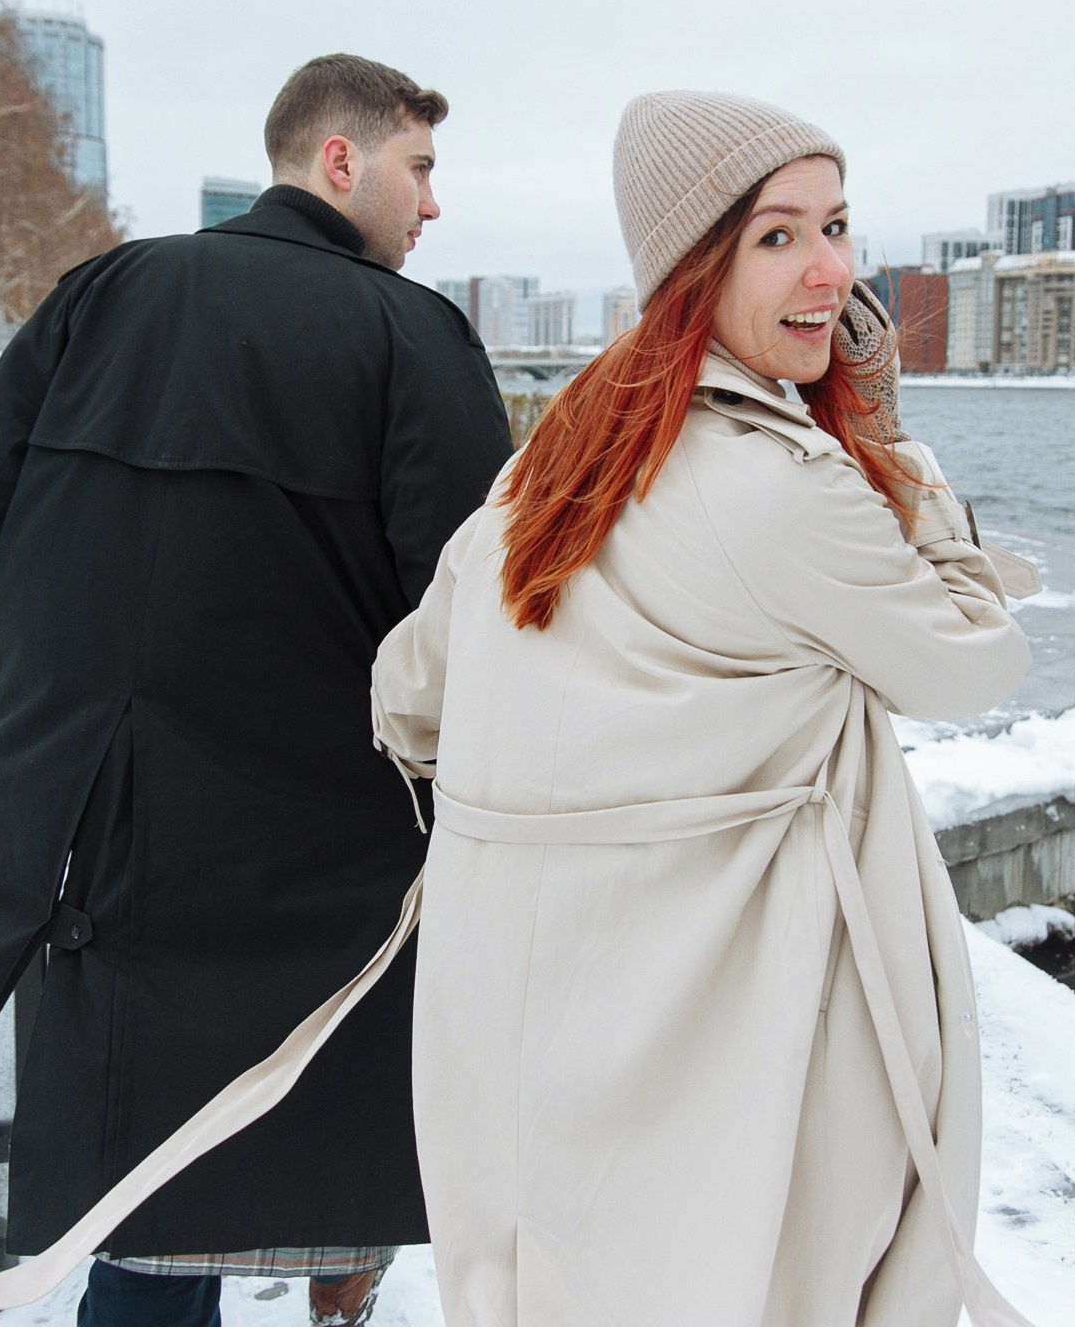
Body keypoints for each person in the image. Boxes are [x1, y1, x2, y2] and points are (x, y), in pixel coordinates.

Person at [0, 54, 513, 1327]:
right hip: (323, 839)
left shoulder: (105, 291)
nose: (432, 206)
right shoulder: (410, 334)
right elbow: (474, 599)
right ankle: (343, 1290)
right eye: (420, 170)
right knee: (325, 1139)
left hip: (108, 822)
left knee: (140, 1194)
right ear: (340, 158)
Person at [369, 92, 1041, 1326]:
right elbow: (972, 662)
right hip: (730, 1035)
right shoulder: (788, 490)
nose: (830, 269)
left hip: (526, 1030)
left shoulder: (556, 460)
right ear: (694, 264)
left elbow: (407, 691)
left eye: (837, 225)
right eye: (777, 236)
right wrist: (893, 443)